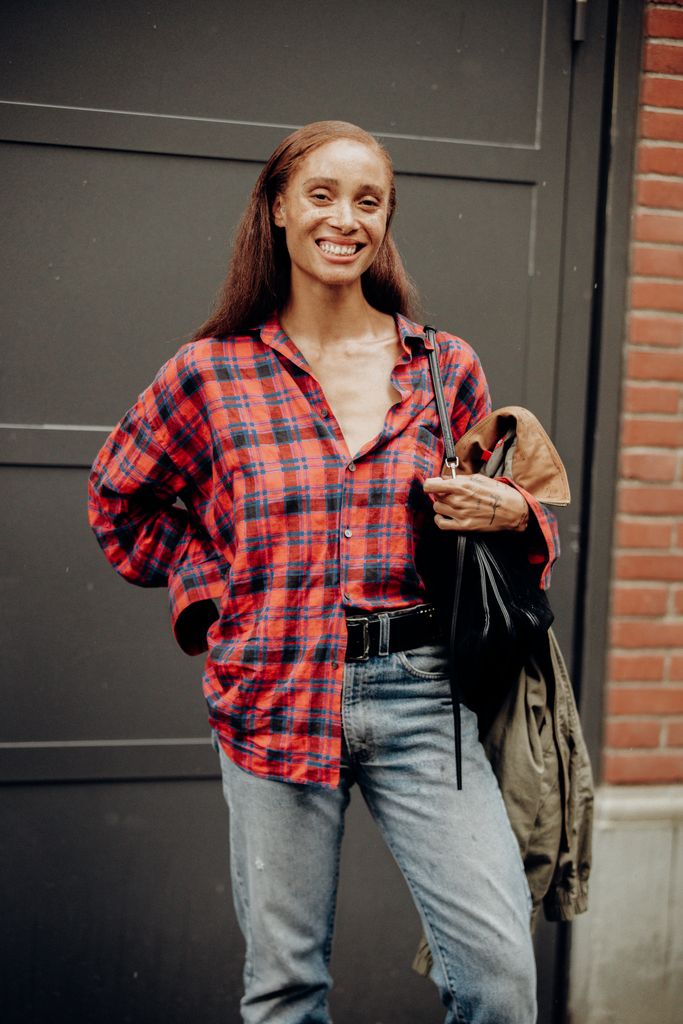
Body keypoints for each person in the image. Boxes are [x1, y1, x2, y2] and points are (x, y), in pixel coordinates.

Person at [89, 120, 559, 1024]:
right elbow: (119, 502)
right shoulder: (211, 374)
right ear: (275, 208)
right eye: (321, 194)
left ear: (385, 222)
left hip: (425, 694)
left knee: (498, 983)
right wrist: (212, 590)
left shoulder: (439, 366)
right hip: (273, 687)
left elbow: (495, 533)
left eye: (368, 201)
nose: (345, 218)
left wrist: (515, 512)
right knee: (286, 989)